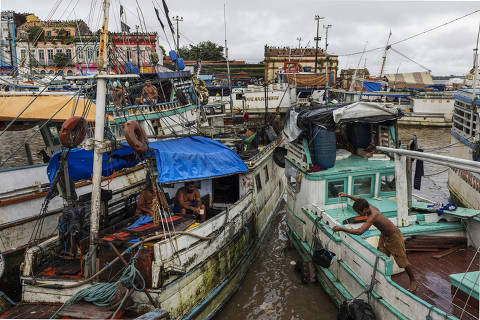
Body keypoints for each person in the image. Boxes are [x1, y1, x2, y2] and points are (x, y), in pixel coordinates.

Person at [332, 192, 417, 292]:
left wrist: (342, 229)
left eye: (359, 212)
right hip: (384, 235)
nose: (358, 214)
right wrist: (347, 195)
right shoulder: (367, 205)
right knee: (381, 255)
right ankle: (381, 279)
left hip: (394, 237)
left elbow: (360, 231)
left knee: (402, 261)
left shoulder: (373, 215)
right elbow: (358, 199)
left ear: (364, 209)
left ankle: (413, 280)